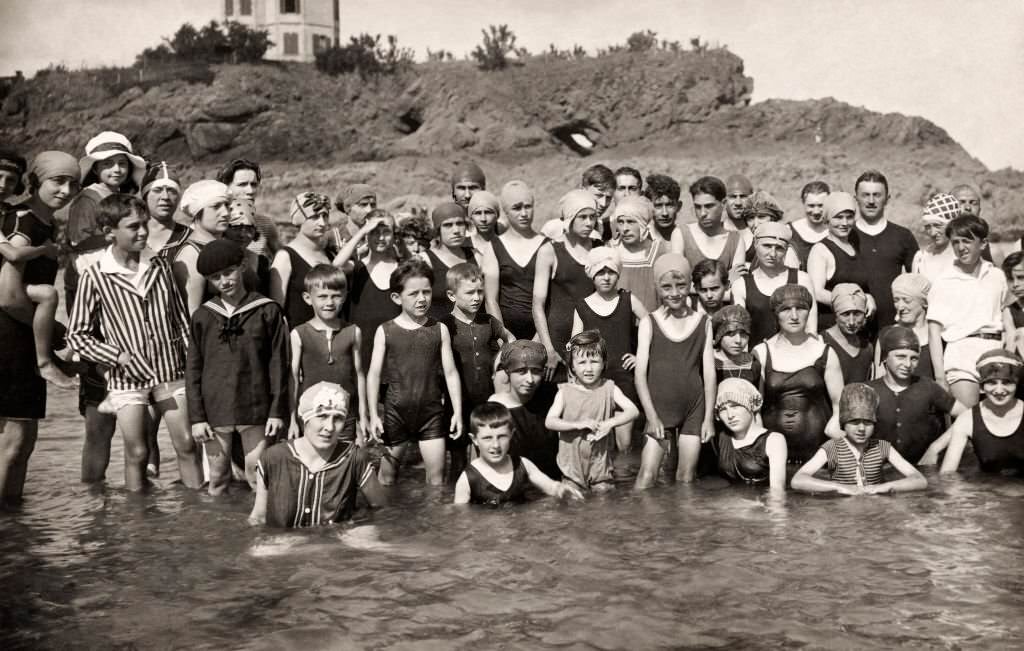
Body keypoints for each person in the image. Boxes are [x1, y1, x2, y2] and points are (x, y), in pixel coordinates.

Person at [66, 193, 202, 491]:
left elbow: (180, 320)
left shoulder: (160, 265)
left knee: (188, 445)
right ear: (109, 232)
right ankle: (137, 524)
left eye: (144, 225)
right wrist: (118, 356)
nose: (142, 232)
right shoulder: (95, 276)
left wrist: (194, 364)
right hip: (127, 379)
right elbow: (77, 334)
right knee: (137, 452)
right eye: (133, 227)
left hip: (170, 372)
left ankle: (198, 515)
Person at [0, 151, 80, 506]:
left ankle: (17, 527)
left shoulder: (43, 223)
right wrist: (45, 336)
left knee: (24, 439)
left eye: (72, 183)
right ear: (35, 182)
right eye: (57, 181)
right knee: (15, 439)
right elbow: (7, 296)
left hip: (22, 337)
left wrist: (54, 330)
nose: (65, 190)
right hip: (10, 339)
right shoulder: (24, 222)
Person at [186, 239, 289, 495]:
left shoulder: (267, 311)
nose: (224, 281)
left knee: (257, 474)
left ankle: (259, 531)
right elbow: (193, 370)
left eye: (228, 272)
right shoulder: (202, 316)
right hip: (215, 408)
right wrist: (197, 418)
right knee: (218, 476)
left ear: (242, 266)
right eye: (215, 277)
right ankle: (219, 532)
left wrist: (277, 411)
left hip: (255, 404)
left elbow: (278, 363)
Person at [367, 258, 463, 486]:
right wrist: (372, 414)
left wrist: (457, 411)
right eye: (414, 294)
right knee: (387, 479)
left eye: (427, 292)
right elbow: (373, 374)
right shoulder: (385, 330)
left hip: (431, 413)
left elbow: (450, 373)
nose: (422, 299)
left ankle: (433, 522)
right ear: (396, 297)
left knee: (436, 480)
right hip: (395, 413)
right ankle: (387, 520)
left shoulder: (439, 329)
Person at [249, 382, 386, 528]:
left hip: (336, 544)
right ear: (304, 419)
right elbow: (258, 518)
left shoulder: (354, 459)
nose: (330, 427)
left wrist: (360, 527)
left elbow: (382, 510)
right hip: (283, 544)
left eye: (338, 418)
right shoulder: (273, 458)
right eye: (322, 416)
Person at [634, 254, 716, 487]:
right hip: (659, 407)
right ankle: (638, 524)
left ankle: (685, 524)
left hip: (694, 407)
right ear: (657, 288)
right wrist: (651, 416)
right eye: (666, 287)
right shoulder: (650, 322)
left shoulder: (703, 322)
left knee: (686, 477)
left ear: (690, 285)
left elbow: (709, 375)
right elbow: (640, 375)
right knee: (646, 476)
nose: (674, 292)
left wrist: (708, 418)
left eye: (681, 286)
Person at [927, 215, 1012, 408]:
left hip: (995, 351)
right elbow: (933, 331)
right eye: (955, 242)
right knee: (968, 421)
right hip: (962, 355)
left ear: (983, 244)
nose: (961, 247)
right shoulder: (944, 281)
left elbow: (1007, 318)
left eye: (967, 240)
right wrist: (940, 377)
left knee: (999, 423)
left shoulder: (997, 276)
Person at [754, 284, 844, 463]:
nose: (794, 316)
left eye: (801, 308)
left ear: (809, 311)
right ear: (775, 313)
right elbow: (755, 409)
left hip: (818, 453)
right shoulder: (761, 352)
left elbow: (839, 405)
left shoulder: (825, 352)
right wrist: (761, 447)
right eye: (786, 309)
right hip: (774, 455)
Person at [441, 262, 515, 481]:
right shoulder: (444, 325)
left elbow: (509, 339)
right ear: (452, 295)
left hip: (486, 399)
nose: (477, 298)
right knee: (457, 459)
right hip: (457, 403)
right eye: (470, 292)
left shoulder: (489, 322)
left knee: (486, 455)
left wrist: (502, 364)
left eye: (480, 292)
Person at [571, 246, 648, 452]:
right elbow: (574, 345)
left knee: (625, 444)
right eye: (600, 272)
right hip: (593, 381)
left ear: (618, 273)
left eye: (611, 272)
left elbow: (653, 326)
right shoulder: (583, 306)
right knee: (596, 441)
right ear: (591, 275)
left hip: (624, 378)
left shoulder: (628, 299)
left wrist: (640, 356)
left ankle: (625, 482)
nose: (606, 277)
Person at [545, 330, 639, 492]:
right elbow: (550, 421)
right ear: (572, 366)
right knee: (574, 508)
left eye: (594, 361)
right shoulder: (565, 391)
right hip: (572, 472)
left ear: (603, 363)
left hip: (601, 470)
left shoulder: (609, 388)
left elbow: (633, 411)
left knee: (603, 506)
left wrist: (610, 423)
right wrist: (578, 425)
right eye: (582, 362)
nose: (588, 368)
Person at [791, 383, 927, 494]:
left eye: (867, 422)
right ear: (843, 422)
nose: (861, 428)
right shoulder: (831, 448)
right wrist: (839, 487)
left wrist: (883, 487)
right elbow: (797, 480)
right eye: (855, 422)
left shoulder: (883, 447)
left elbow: (920, 480)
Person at [289, 264, 366, 444]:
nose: (329, 303)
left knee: (347, 462)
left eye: (336, 296)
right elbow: (292, 377)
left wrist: (363, 415)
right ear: (308, 298)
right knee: (314, 463)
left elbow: (359, 374)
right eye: (322, 297)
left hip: (345, 414)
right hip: (311, 414)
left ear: (345, 296)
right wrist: (292, 418)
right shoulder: (299, 334)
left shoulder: (353, 331)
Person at [453, 402, 582, 506]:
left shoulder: (522, 464)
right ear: (474, 439)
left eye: (502, 436)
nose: (496, 445)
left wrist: (561, 489)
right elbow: (462, 521)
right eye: (487, 438)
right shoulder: (468, 479)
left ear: (512, 435)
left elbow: (550, 486)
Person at [869, 326, 962, 464]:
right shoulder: (868, 391)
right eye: (900, 357)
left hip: (923, 469)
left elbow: (968, 416)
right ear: (884, 357)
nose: (907, 364)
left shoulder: (928, 387)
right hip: (882, 470)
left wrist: (935, 448)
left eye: (914, 358)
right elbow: (837, 429)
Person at [533, 189, 597, 381]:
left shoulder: (601, 248)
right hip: (556, 341)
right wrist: (548, 349)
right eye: (582, 217)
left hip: (590, 342)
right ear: (569, 218)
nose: (588, 223)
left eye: (592, 217)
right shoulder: (550, 251)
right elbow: (537, 305)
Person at [931, 350, 1024, 475]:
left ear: (1017, 384)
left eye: (1007, 382)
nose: (999, 390)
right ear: (982, 385)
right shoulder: (967, 419)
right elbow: (947, 475)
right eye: (991, 382)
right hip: (988, 491)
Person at [853, 170, 919, 330]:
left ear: (887, 199)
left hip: (894, 326)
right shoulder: (845, 237)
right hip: (852, 327)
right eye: (865, 195)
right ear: (856, 199)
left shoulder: (903, 236)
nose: (871, 201)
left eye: (877, 195)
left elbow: (917, 283)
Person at [733, 222, 817, 346]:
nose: (772, 254)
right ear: (755, 244)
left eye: (779, 248)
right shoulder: (742, 284)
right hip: (757, 357)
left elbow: (811, 328)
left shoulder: (802, 279)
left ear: (786, 250)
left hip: (796, 355)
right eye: (767, 246)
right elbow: (739, 332)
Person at [334, 212, 401, 365]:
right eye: (374, 232)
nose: (381, 237)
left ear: (394, 235)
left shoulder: (401, 268)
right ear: (366, 235)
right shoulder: (355, 268)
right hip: (362, 347)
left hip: (394, 347)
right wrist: (362, 230)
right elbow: (336, 265)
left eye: (386, 232)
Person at [482, 181, 547, 340]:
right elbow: (491, 300)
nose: (524, 213)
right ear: (505, 212)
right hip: (506, 335)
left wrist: (541, 339)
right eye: (517, 208)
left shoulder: (548, 245)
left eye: (528, 206)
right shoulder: (494, 247)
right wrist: (504, 338)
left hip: (543, 334)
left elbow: (553, 300)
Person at [490, 340, 560, 478]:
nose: (530, 379)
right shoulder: (492, 411)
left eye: (535, 371)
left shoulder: (555, 397)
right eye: (521, 371)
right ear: (508, 372)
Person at [807, 191, 873, 332]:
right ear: (827, 219)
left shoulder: (855, 247)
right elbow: (817, 292)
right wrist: (857, 302)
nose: (844, 223)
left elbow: (860, 286)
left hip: (856, 327)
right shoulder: (820, 250)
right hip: (831, 327)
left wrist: (867, 297)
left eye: (849, 218)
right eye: (838, 217)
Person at [269, 192, 334, 327]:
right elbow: (276, 308)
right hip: (299, 338)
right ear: (300, 219)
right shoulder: (285, 257)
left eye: (325, 216)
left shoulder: (330, 254)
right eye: (314, 217)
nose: (322, 223)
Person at [712, 378, 787, 490]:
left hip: (760, 504)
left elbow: (777, 492)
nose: (730, 415)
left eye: (735, 406)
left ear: (750, 406)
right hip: (727, 504)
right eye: (723, 409)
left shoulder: (774, 440)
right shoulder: (720, 439)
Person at [172, 180, 231, 315]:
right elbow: (193, 314)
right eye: (216, 206)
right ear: (198, 212)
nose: (225, 213)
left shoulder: (223, 245)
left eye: (227, 205)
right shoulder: (191, 255)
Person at [612, 195, 669, 312]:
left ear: (642, 224)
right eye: (621, 222)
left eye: (631, 222)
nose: (625, 228)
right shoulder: (611, 251)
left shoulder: (659, 251)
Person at [216, 158, 280, 258]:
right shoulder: (214, 224)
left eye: (254, 184)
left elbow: (283, 259)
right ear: (225, 186)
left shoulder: (264, 224)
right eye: (242, 184)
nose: (250, 191)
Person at [681, 176, 745, 276]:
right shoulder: (682, 234)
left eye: (709, 206)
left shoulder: (735, 240)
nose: (702, 213)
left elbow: (737, 284)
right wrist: (725, 282)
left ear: (723, 204)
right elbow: (677, 283)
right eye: (698, 207)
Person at [422, 202, 475, 321]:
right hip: (438, 332)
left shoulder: (476, 256)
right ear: (437, 229)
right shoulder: (424, 260)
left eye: (460, 223)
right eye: (448, 225)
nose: (456, 230)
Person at [877, 273, 935, 380]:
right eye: (896, 300)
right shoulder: (886, 334)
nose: (900, 307)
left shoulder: (938, 336)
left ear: (924, 302)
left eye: (906, 300)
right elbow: (879, 380)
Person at [822, 284, 873, 384]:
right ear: (836, 315)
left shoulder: (867, 348)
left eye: (857, 314)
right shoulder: (822, 342)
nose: (851, 322)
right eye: (845, 314)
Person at [223, 197, 271, 296]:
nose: (242, 234)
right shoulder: (213, 258)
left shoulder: (261, 262)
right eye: (236, 228)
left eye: (249, 229)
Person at [140, 162, 190, 256]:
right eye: (157, 190)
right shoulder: (131, 236)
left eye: (171, 191)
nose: (165, 197)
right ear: (144, 196)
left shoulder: (190, 237)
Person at [911, 193, 962, 284]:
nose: (932, 233)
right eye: (928, 227)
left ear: (952, 225)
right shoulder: (921, 258)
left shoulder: (964, 255)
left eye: (937, 225)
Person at [712, 305, 760, 385]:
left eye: (743, 334)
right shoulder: (709, 362)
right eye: (731, 334)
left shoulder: (753, 364)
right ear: (719, 336)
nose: (738, 340)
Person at [788, 181, 830, 269]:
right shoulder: (789, 232)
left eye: (821, 205)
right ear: (803, 203)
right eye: (811, 206)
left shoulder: (838, 231)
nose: (816, 211)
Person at [644, 173, 684, 252]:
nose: (665, 213)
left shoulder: (685, 236)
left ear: (678, 206)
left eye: (670, 205)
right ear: (647, 207)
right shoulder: (642, 237)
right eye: (658, 206)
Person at [581, 164, 616, 241]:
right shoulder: (560, 231)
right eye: (598, 195)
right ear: (583, 191)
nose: (603, 204)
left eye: (608, 198)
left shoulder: (609, 231)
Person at [467, 189, 501, 255]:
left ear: (497, 216)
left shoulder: (507, 245)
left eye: (488, 212)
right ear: (471, 217)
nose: (483, 219)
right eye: (478, 213)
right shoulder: (463, 246)